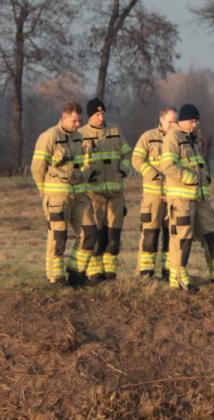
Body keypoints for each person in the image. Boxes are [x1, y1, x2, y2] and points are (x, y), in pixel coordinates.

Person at [160, 103, 214, 291]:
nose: (195, 125)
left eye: (197, 121)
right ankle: (179, 280)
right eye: (192, 121)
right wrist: (190, 178)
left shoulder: (192, 140)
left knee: (212, 233)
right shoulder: (172, 138)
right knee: (182, 239)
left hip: (200, 200)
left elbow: (200, 164)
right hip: (182, 201)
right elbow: (167, 166)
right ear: (182, 121)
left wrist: (205, 177)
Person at [31, 102, 97, 286]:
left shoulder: (79, 138)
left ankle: (76, 273)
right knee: (58, 237)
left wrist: (83, 173)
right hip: (57, 197)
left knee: (90, 232)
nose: (78, 124)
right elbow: (37, 167)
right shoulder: (49, 137)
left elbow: (85, 161)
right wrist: (45, 191)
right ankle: (56, 278)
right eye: (75, 121)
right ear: (64, 117)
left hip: (79, 195)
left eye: (80, 121)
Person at [79, 97, 132, 282]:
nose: (101, 117)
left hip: (116, 194)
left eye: (103, 113)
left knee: (113, 236)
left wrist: (123, 170)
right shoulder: (81, 134)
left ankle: (110, 273)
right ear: (90, 116)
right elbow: (76, 165)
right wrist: (86, 174)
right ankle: (94, 273)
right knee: (97, 236)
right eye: (97, 114)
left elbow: (127, 153)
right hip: (94, 196)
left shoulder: (115, 130)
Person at [133, 106, 177, 279]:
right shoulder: (148, 137)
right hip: (153, 196)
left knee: (170, 235)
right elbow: (136, 159)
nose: (173, 125)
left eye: (176, 121)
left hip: (173, 195)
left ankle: (167, 271)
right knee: (150, 233)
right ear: (161, 120)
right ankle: (146, 272)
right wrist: (153, 174)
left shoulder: (179, 139)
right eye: (170, 122)